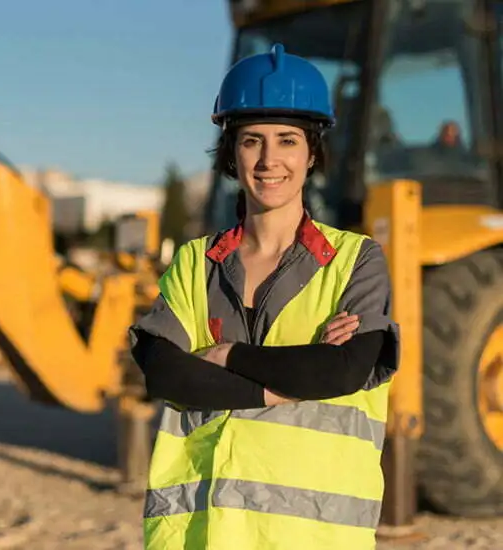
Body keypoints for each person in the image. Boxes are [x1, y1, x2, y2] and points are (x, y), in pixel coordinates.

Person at [129, 43, 400, 549]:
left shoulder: (355, 261)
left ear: (312, 151)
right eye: (252, 141)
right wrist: (279, 385)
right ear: (231, 152)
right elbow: (166, 373)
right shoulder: (195, 261)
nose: (270, 159)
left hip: (312, 533)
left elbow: (343, 371)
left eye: (288, 140)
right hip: (200, 530)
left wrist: (228, 356)